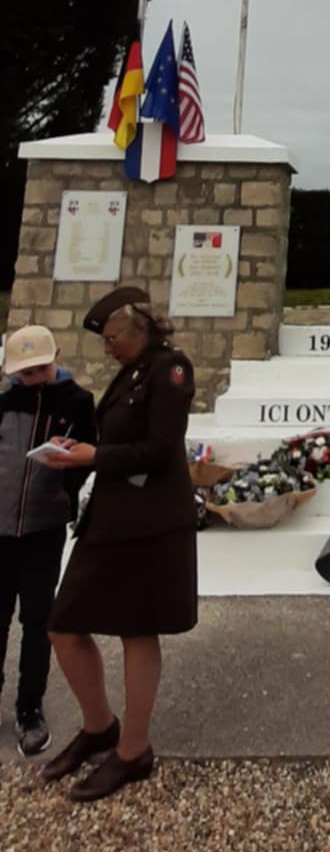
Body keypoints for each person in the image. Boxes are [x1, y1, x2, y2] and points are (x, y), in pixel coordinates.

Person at [42, 285, 197, 802]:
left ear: (140, 328)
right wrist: (82, 448)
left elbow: (160, 450)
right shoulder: (132, 372)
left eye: (113, 339)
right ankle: (99, 726)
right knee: (63, 625)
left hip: (151, 522)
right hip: (110, 518)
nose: (107, 349)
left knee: (137, 630)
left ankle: (133, 751)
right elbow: (117, 438)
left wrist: (92, 457)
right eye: (104, 341)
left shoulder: (170, 370)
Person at [0, 325, 95, 756]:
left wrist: (67, 468)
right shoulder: (5, 403)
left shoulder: (77, 403)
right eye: (25, 372)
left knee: (37, 622)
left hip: (44, 530)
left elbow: (89, 458)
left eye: (40, 369)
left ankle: (29, 709)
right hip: (1, 531)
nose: (33, 378)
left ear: (55, 358)